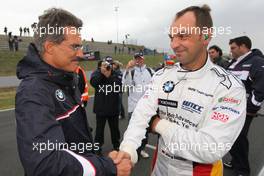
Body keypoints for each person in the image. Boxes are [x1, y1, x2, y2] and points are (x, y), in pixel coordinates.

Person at [111, 5, 247, 176]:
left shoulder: (229, 87)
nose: (174, 44)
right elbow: (141, 115)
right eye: (172, 37)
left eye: (182, 36)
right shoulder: (162, 75)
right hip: (159, 167)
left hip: (200, 172)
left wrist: (158, 124)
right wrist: (128, 151)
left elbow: (210, 147)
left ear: (206, 36)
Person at [15, 8, 131, 176]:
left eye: (81, 46)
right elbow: (45, 164)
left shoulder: (66, 78)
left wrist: (97, 160)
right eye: (74, 47)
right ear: (50, 47)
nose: (81, 54)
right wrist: (108, 167)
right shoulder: (34, 91)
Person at [224, 36, 264, 176]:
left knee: (238, 137)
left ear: (243, 46)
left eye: (233, 48)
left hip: (244, 110)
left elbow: (260, 88)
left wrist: (251, 108)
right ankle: (236, 161)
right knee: (230, 137)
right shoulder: (233, 62)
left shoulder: (257, 62)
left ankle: (242, 171)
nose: (231, 51)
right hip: (228, 108)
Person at [122, 52, 154, 159]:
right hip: (133, 107)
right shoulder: (130, 71)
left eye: (140, 58)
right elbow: (125, 85)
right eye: (136, 59)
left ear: (143, 59)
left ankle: (141, 149)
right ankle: (131, 151)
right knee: (132, 130)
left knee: (145, 131)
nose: (138, 61)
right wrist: (127, 70)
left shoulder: (150, 71)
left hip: (147, 107)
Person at [90, 56, 122, 155]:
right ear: (101, 65)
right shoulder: (96, 73)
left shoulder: (116, 74)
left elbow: (119, 87)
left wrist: (109, 76)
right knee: (99, 130)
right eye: (105, 64)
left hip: (113, 108)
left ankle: (116, 145)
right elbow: (94, 83)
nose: (108, 66)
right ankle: (98, 146)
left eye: (110, 64)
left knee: (115, 129)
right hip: (101, 108)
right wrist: (102, 74)